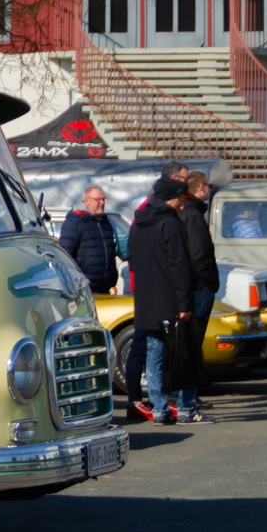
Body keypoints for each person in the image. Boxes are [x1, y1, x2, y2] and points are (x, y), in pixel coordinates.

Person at [126, 177, 195, 425]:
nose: (182, 204)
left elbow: (131, 259)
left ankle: (159, 407)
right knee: (175, 352)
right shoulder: (170, 224)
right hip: (168, 298)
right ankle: (180, 405)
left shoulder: (138, 223)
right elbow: (179, 266)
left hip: (146, 298)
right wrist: (185, 303)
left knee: (152, 352)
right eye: (180, 198)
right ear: (172, 198)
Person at [175, 172, 219, 422]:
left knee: (186, 347)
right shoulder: (192, 214)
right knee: (191, 347)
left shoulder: (186, 212)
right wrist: (210, 282)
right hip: (199, 288)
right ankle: (186, 404)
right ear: (201, 187)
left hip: (192, 287)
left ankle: (184, 400)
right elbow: (199, 255)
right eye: (208, 186)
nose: (210, 190)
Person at [58, 186, 119, 294]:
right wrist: (77, 281)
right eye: (98, 199)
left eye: (103, 199)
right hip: (84, 287)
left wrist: (113, 276)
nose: (102, 203)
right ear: (87, 201)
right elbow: (66, 255)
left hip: (105, 287)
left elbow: (110, 252)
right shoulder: (75, 222)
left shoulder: (105, 223)